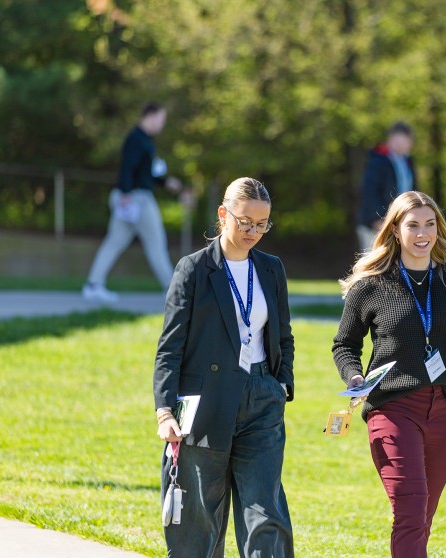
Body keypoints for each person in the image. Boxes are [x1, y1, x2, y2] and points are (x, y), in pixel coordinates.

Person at [333, 191, 446, 557]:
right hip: (392, 408)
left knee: (423, 516)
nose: (423, 234)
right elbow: (344, 344)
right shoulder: (371, 286)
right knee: (411, 512)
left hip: (444, 411)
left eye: (430, 225)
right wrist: (353, 376)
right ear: (396, 230)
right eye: (413, 225)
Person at [153, 177, 295, 557]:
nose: (253, 231)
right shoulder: (193, 270)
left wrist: (282, 384)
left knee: (266, 513)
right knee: (201, 523)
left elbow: (283, 335)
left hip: (262, 399)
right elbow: (170, 347)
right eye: (245, 221)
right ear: (223, 214)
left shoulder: (271, 269)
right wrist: (165, 410)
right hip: (205, 405)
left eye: (262, 224)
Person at [82, 102, 184, 303]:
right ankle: (175, 292)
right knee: (156, 243)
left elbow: (145, 173)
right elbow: (127, 167)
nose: (162, 125)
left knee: (114, 242)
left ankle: (93, 285)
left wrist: (165, 182)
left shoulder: (146, 141)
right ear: (151, 116)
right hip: (137, 199)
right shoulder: (136, 139)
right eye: (161, 120)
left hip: (131, 197)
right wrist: (126, 194)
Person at [356, 121, 416, 252]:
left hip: (399, 223)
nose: (404, 145)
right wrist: (377, 219)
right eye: (399, 140)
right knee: (372, 266)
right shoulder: (378, 161)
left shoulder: (407, 162)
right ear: (391, 139)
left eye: (407, 141)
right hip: (375, 224)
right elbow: (369, 192)